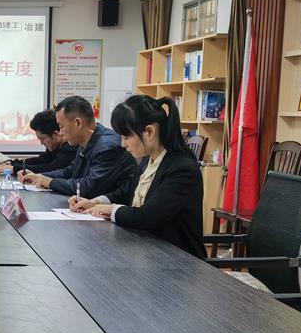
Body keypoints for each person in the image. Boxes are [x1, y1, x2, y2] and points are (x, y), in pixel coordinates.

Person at [70, 95, 205, 258]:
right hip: (146, 250)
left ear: (149, 132)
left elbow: (147, 216)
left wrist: (110, 209)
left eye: (126, 137)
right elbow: (126, 193)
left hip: (178, 259)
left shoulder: (181, 168)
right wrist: (95, 202)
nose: (122, 144)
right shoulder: (148, 160)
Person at [21, 96, 138, 199]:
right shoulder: (85, 142)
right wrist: (39, 177)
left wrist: (50, 182)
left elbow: (89, 188)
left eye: (61, 127)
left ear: (78, 123)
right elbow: (70, 171)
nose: (60, 133)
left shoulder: (108, 147)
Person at [0, 109, 78, 175]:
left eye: (42, 139)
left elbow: (51, 168)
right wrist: (12, 163)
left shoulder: (70, 148)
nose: (41, 143)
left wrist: (15, 169)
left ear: (55, 134)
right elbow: (41, 160)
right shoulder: (55, 147)